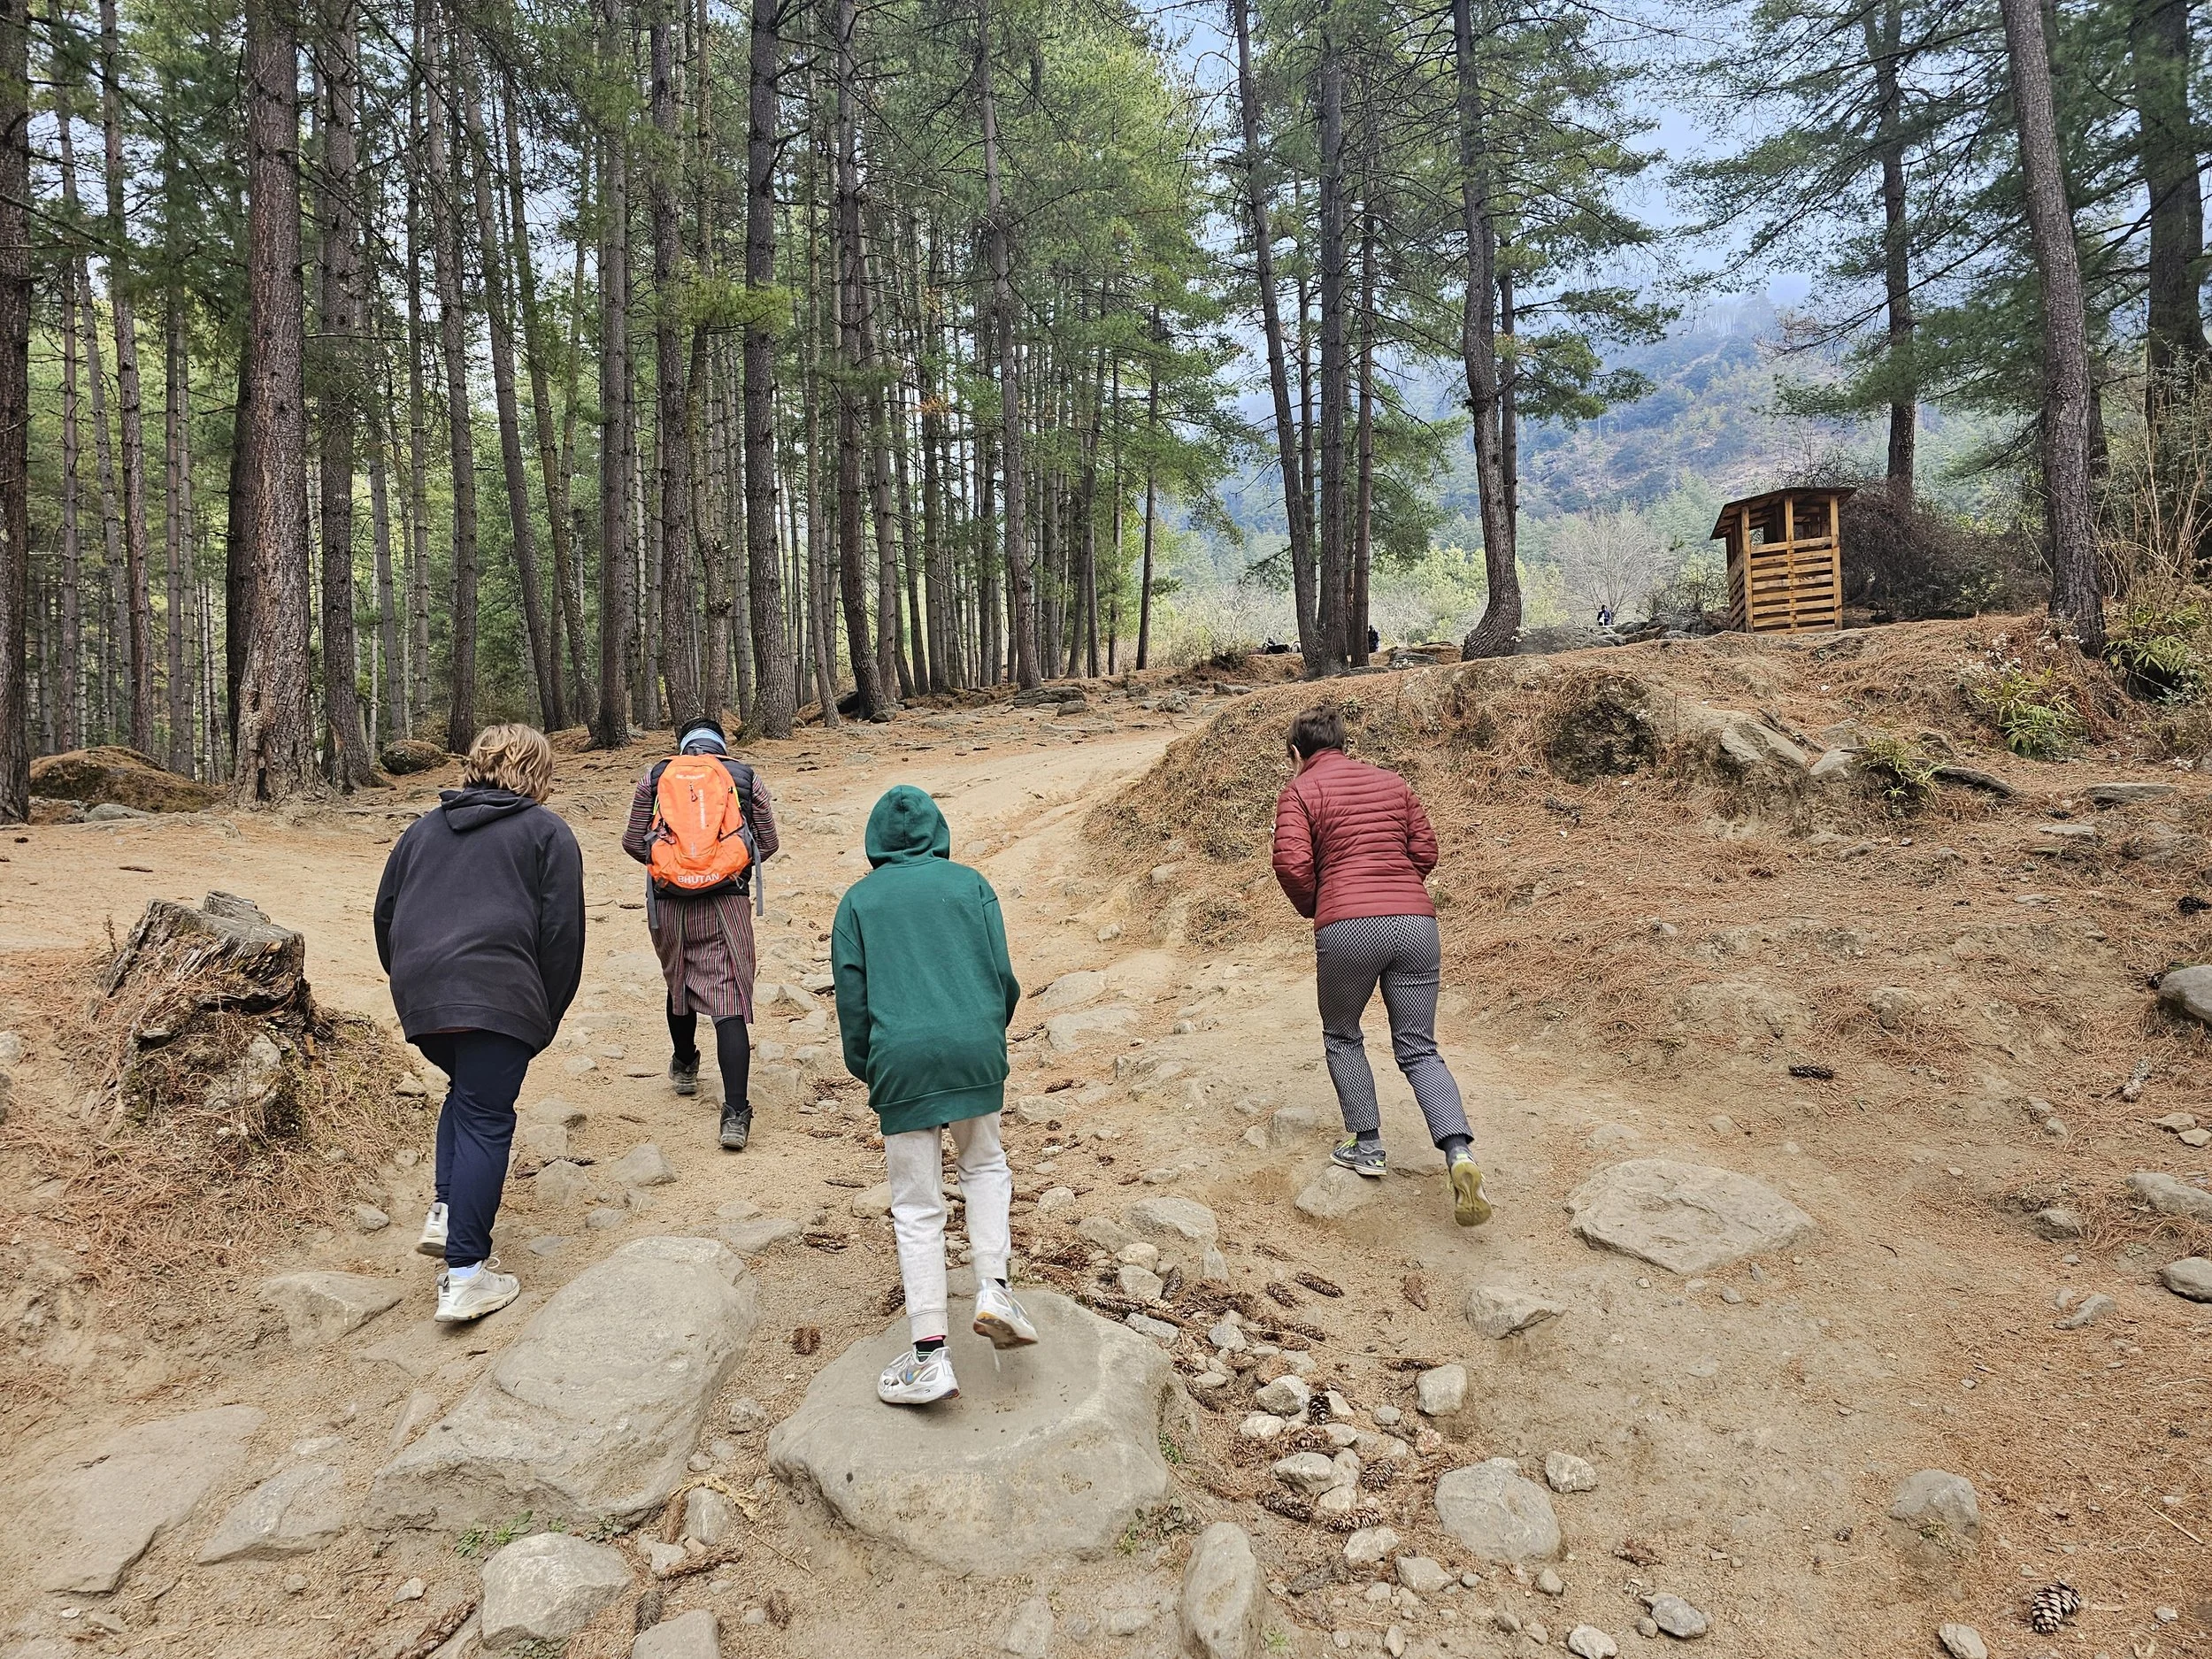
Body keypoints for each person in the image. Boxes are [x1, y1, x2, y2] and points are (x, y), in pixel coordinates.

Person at [373, 724, 585, 1323]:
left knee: (467, 1096)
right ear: (538, 772)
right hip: (498, 993)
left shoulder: (421, 829)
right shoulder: (547, 831)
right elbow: (561, 936)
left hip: (423, 995)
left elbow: (385, 914)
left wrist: (413, 982)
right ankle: (466, 1275)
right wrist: (542, 1014)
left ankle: (447, 1213)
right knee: (488, 1116)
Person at [831, 784, 1032, 1406]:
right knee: (986, 1164)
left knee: (917, 1205)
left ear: (875, 840)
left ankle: (928, 1355)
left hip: (901, 1059)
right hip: (974, 1048)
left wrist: (871, 1067)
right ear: (937, 830)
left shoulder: (858, 902)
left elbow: (852, 1000)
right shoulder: (973, 885)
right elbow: (1002, 976)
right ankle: (995, 1288)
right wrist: (984, 1037)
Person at [1270, 704, 1491, 1228]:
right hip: (1416, 923)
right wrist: (1399, 885)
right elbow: (1425, 849)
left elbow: (1292, 864)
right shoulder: (1393, 783)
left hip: (1348, 926)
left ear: (1297, 752)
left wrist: (1322, 902)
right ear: (1342, 744)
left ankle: (1367, 1145)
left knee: (1342, 1034)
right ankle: (1459, 1153)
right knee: (1419, 1047)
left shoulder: (1299, 791)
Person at [622, 716, 780, 1152]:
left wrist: (675, 870)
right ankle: (735, 1114)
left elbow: (634, 841)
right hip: (726, 904)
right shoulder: (744, 778)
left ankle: (685, 1065)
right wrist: (724, 867)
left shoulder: (656, 777)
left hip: (669, 904)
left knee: (679, 982)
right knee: (728, 1001)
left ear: (682, 746)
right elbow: (767, 842)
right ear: (721, 746)